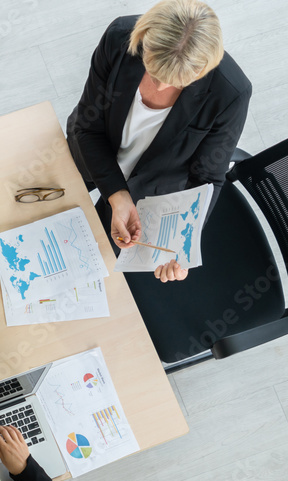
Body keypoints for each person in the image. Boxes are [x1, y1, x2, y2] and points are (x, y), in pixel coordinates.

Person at [66, 0, 250, 283]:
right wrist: (117, 193)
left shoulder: (229, 93)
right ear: (143, 41)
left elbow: (207, 178)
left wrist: (184, 244)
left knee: (93, 269)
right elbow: (88, 128)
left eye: (177, 81)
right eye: (153, 72)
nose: (162, 87)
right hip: (91, 150)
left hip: (150, 191)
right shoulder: (120, 36)